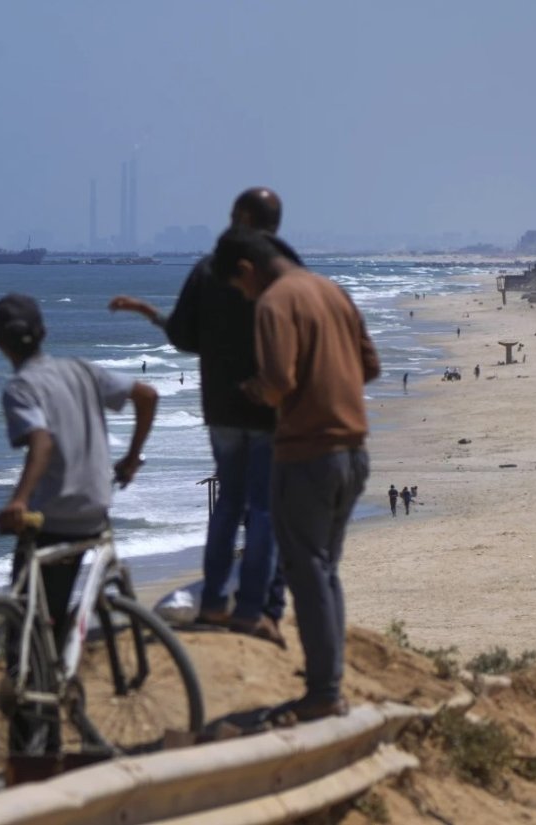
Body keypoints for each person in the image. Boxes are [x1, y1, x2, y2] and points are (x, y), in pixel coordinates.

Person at [107, 188, 291, 647]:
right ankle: (252, 609)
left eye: (234, 213)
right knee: (264, 508)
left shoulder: (210, 270)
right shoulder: (285, 269)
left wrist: (154, 316)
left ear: (245, 217)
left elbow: (184, 337)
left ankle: (213, 600)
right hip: (271, 407)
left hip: (224, 408)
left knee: (230, 502)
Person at [213, 227, 380, 723]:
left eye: (239, 288)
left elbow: (280, 380)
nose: (245, 297)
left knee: (305, 572)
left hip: (307, 454)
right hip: (353, 450)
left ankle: (325, 692)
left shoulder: (273, 304)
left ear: (246, 271)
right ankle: (327, 682)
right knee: (325, 569)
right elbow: (368, 365)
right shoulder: (333, 291)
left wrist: (253, 390)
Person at [0, 293, 158, 650]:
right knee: (62, 598)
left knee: (27, 617)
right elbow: (147, 395)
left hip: (53, 519)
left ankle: (27, 680)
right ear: (44, 332)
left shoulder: (20, 388)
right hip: (97, 509)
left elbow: (41, 441)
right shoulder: (81, 370)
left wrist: (19, 501)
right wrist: (131, 458)